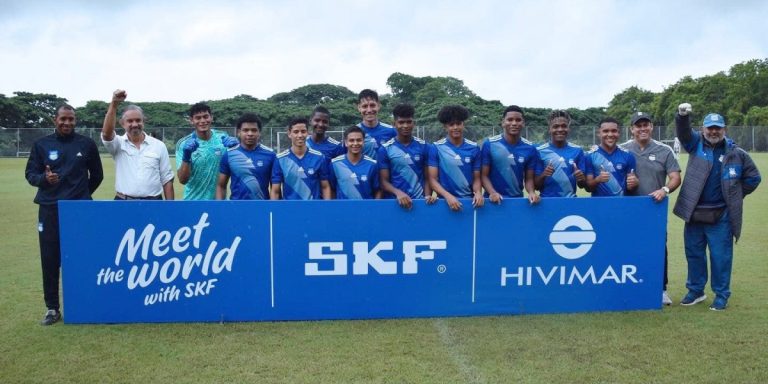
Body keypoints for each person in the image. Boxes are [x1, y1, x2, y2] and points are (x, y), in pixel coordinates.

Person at [673, 103, 761, 310]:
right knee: (694, 253)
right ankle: (696, 291)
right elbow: (683, 131)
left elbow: (754, 178)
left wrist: (736, 195)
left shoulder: (737, 153)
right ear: (703, 130)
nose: (713, 131)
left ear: (724, 129)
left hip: (721, 214)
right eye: (709, 128)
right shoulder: (695, 144)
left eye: (717, 128)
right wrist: (682, 116)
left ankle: (721, 295)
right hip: (694, 212)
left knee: (721, 257)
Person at [24, 104, 104, 325]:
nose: (67, 123)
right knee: (50, 258)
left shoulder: (86, 144)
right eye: (63, 119)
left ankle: (86, 303)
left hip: (80, 211)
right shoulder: (41, 144)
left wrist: (81, 194)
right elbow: (30, 173)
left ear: (75, 120)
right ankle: (52, 308)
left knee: (83, 257)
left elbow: (97, 175)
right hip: (50, 208)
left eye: (71, 119)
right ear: (55, 120)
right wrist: (43, 180)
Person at [621, 111, 681, 306]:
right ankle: (628, 286)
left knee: (658, 248)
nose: (642, 128)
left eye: (646, 124)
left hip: (654, 208)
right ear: (632, 129)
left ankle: (661, 289)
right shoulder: (622, 150)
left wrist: (664, 189)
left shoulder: (665, 150)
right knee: (627, 247)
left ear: (652, 127)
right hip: (628, 209)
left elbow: (675, 177)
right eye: (638, 125)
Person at [101, 89, 174, 200]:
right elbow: (106, 134)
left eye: (138, 120)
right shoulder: (118, 144)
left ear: (143, 121)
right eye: (130, 121)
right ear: (122, 123)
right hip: (123, 204)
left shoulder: (159, 146)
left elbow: (167, 179)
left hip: (153, 204)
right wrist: (114, 104)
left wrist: (170, 210)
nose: (135, 124)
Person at [378, 103, 437, 209]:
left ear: (414, 123)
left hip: (419, 202)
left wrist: (427, 195)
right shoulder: (385, 149)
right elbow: (383, 181)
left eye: (409, 122)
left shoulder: (425, 146)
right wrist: (398, 193)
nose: (405, 126)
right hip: (394, 203)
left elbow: (428, 178)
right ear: (394, 124)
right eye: (401, 122)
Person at [175, 102, 238, 200]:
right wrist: (186, 157)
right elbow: (183, 180)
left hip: (219, 203)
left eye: (206, 116)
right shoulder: (184, 144)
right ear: (191, 120)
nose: (203, 120)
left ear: (211, 117)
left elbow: (237, 168)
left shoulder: (222, 138)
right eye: (198, 118)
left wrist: (238, 148)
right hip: (193, 202)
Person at [427, 105, 484, 211]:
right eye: (451, 124)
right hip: (444, 202)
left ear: (463, 124)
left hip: (469, 203)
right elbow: (432, 179)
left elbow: (476, 178)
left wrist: (478, 193)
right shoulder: (436, 147)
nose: (455, 127)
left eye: (458, 123)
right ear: (445, 126)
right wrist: (447, 196)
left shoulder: (474, 148)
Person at [482, 105, 541, 204]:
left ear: (523, 123)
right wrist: (492, 193)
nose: (514, 123)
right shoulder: (489, 144)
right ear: (503, 122)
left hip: (516, 201)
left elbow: (529, 178)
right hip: (491, 201)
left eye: (518, 120)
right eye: (510, 120)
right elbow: (483, 175)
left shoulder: (530, 148)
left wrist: (531, 192)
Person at [216, 113, 276, 200]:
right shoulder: (229, 154)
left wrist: (273, 209)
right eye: (245, 130)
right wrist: (220, 208)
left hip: (262, 208)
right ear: (239, 132)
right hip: (236, 208)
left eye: (254, 130)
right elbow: (221, 186)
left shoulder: (270, 155)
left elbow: (275, 188)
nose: (250, 133)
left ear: (259, 133)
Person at [271, 117, 332, 200]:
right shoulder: (280, 159)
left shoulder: (319, 157)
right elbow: (275, 191)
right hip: (289, 210)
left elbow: (325, 186)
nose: (300, 135)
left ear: (308, 133)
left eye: (303, 131)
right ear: (289, 134)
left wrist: (326, 208)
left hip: (313, 210)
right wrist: (275, 211)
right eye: (296, 132)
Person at [534, 109, 586, 198]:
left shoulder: (577, 150)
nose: (560, 129)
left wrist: (580, 178)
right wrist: (544, 175)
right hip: (547, 202)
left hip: (570, 202)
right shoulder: (539, 151)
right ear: (549, 129)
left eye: (564, 126)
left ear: (568, 129)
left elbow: (582, 185)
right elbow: (536, 186)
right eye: (556, 126)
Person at [585, 117, 638, 196]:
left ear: (618, 133)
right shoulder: (590, 156)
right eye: (605, 131)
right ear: (599, 133)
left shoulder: (628, 155)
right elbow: (588, 188)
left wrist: (634, 183)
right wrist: (598, 180)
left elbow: (631, 188)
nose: (610, 134)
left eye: (614, 131)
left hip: (621, 206)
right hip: (599, 206)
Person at [330, 126, 381, 199]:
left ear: (363, 142)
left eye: (359, 140)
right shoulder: (335, 164)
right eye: (351, 140)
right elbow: (332, 189)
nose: (355, 143)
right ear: (346, 143)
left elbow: (377, 190)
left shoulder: (372, 164)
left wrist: (375, 208)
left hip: (366, 209)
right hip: (342, 209)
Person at [357, 89, 396, 159]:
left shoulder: (391, 131)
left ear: (378, 106)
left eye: (372, 105)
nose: (369, 110)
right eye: (365, 106)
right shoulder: (353, 133)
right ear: (359, 108)